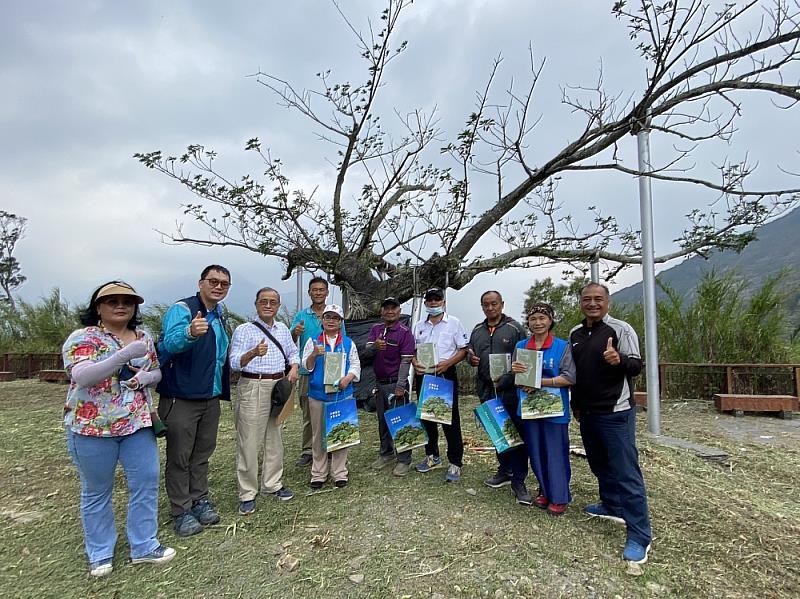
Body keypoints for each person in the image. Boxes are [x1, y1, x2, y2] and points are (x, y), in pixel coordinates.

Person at [63, 281, 175, 577]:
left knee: (146, 483)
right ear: (98, 306)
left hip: (136, 423)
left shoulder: (142, 337)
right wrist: (123, 356)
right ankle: (100, 553)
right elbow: (83, 376)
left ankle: (144, 545)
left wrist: (146, 378)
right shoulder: (83, 337)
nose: (120, 305)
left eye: (127, 300)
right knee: (97, 490)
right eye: (112, 300)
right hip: (92, 427)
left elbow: (157, 372)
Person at [570, 282, 652, 564]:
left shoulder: (621, 329)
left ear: (608, 302)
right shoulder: (575, 334)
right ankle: (611, 504)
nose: (592, 303)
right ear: (580, 302)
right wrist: (575, 405)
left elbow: (637, 366)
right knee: (598, 463)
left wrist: (619, 359)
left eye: (598, 299)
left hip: (616, 412)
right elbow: (577, 373)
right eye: (586, 299)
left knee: (626, 472)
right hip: (588, 412)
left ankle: (640, 535)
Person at [157, 265, 231, 537]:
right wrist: (189, 332)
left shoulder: (219, 316)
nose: (219, 286)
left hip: (209, 397)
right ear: (201, 283)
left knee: (202, 454)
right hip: (182, 396)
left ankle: (199, 499)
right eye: (213, 281)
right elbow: (169, 344)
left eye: (224, 283)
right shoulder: (183, 309)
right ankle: (181, 509)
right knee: (180, 455)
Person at [229, 287, 300, 515]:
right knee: (249, 440)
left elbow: (292, 353)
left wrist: (295, 368)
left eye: (273, 302)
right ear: (256, 304)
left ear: (278, 305)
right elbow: (234, 363)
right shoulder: (244, 330)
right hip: (253, 386)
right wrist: (252, 353)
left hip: (278, 385)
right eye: (264, 301)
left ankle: (272, 484)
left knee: (274, 437)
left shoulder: (282, 330)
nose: (268, 305)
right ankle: (247, 492)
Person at [509, 302, 575, 516]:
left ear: (551, 320)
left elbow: (569, 378)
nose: (537, 323)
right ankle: (545, 491)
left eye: (542, 318)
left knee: (556, 452)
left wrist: (539, 382)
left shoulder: (561, 346)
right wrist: (515, 372)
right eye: (533, 318)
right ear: (527, 321)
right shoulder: (521, 346)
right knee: (536, 452)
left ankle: (560, 496)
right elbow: (518, 379)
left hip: (554, 409)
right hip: (528, 408)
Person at [467, 290, 528, 503]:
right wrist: (470, 358)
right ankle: (504, 470)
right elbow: (470, 352)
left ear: (502, 304)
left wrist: (508, 378)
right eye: (486, 304)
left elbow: (525, 357)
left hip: (511, 391)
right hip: (486, 390)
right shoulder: (477, 330)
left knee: (516, 434)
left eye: (494, 304)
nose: (490, 308)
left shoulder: (515, 328)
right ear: (482, 306)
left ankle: (519, 479)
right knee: (498, 432)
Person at [301, 304, 361, 489]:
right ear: (322, 320)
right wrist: (313, 354)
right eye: (328, 317)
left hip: (342, 394)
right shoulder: (313, 341)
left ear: (340, 322)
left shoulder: (348, 343)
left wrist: (348, 377)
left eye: (335, 318)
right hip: (318, 395)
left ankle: (339, 472)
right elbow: (306, 366)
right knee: (318, 435)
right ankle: (318, 473)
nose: (331, 321)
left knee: (340, 432)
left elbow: (355, 365)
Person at [413, 287, 468, 483]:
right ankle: (432, 455)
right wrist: (415, 363)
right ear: (426, 303)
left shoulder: (454, 323)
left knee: (450, 420)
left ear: (443, 302)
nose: (434, 303)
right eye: (430, 300)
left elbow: (463, 350)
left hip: (445, 374)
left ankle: (455, 462)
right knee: (427, 417)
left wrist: (448, 363)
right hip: (424, 375)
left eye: (437, 300)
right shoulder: (419, 325)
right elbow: (413, 350)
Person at [290, 277, 347, 467]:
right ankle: (308, 450)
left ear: (327, 292)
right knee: (309, 413)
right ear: (309, 293)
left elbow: (344, 342)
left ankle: (331, 445)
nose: (318, 293)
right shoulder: (301, 316)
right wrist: (295, 332)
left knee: (333, 409)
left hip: (332, 371)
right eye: (314, 290)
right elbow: (290, 341)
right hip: (309, 372)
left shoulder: (335, 314)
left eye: (322, 290)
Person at [362, 297, 416, 477]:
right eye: (386, 308)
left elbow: (406, 360)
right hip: (380, 383)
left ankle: (404, 459)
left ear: (399, 311)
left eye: (393, 308)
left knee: (401, 421)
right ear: (382, 311)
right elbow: (367, 353)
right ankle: (386, 453)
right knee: (383, 421)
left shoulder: (404, 332)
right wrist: (375, 347)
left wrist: (401, 385)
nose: (390, 311)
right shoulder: (376, 329)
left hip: (396, 383)